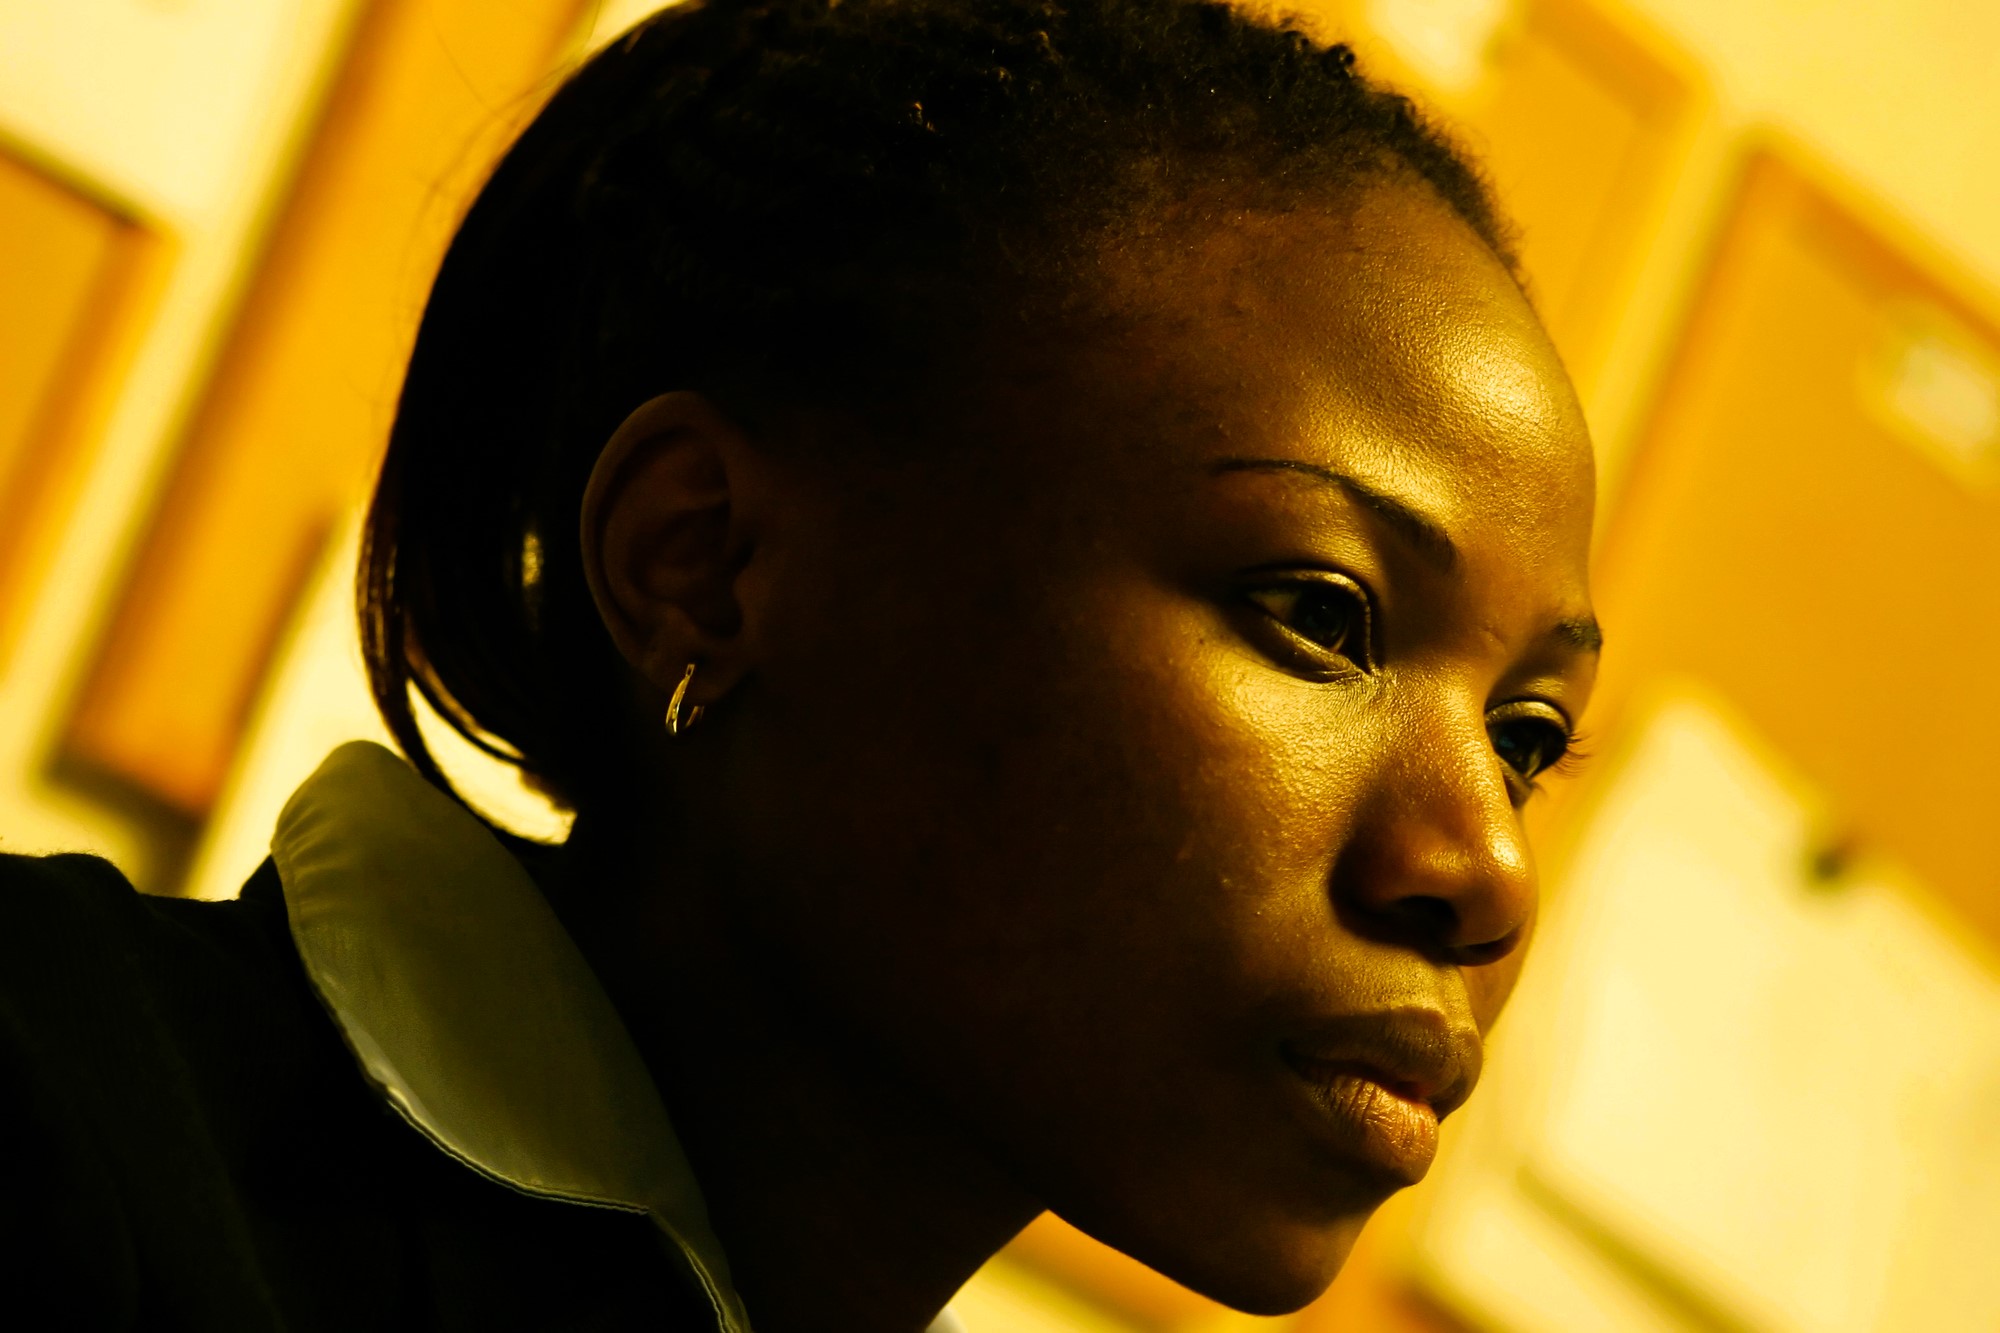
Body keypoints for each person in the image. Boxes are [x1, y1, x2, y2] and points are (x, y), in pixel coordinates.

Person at [0, 0, 1601, 1327]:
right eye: (1320, 612)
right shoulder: (52, 1118)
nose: (1484, 868)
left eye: (1531, 732)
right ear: (699, 559)